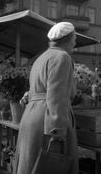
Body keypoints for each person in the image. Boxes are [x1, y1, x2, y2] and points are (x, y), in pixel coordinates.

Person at [13, 22, 78, 174]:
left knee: (31, 165)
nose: (75, 43)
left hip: (32, 116)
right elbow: (57, 96)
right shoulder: (62, 56)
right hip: (47, 122)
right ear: (67, 39)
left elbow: (36, 90)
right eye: (74, 38)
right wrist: (57, 132)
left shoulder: (41, 58)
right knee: (50, 165)